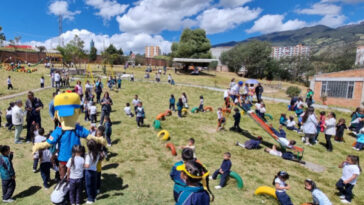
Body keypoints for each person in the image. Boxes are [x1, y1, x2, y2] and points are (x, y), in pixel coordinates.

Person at [85, 140, 101, 204]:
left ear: (88, 147)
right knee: (94, 185)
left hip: (88, 172)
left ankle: (90, 199)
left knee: (88, 185)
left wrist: (82, 164)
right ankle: (94, 197)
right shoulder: (97, 153)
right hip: (95, 171)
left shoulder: (88, 155)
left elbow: (87, 165)